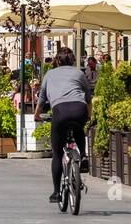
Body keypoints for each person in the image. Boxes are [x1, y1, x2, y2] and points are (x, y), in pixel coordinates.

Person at [35, 46, 92, 203]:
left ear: (57, 60)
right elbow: (88, 97)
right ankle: (84, 156)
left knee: (57, 154)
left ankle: (56, 193)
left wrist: (37, 115)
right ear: (73, 60)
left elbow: (42, 98)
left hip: (60, 111)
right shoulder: (79, 73)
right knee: (79, 128)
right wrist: (89, 115)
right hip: (79, 108)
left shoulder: (50, 74)